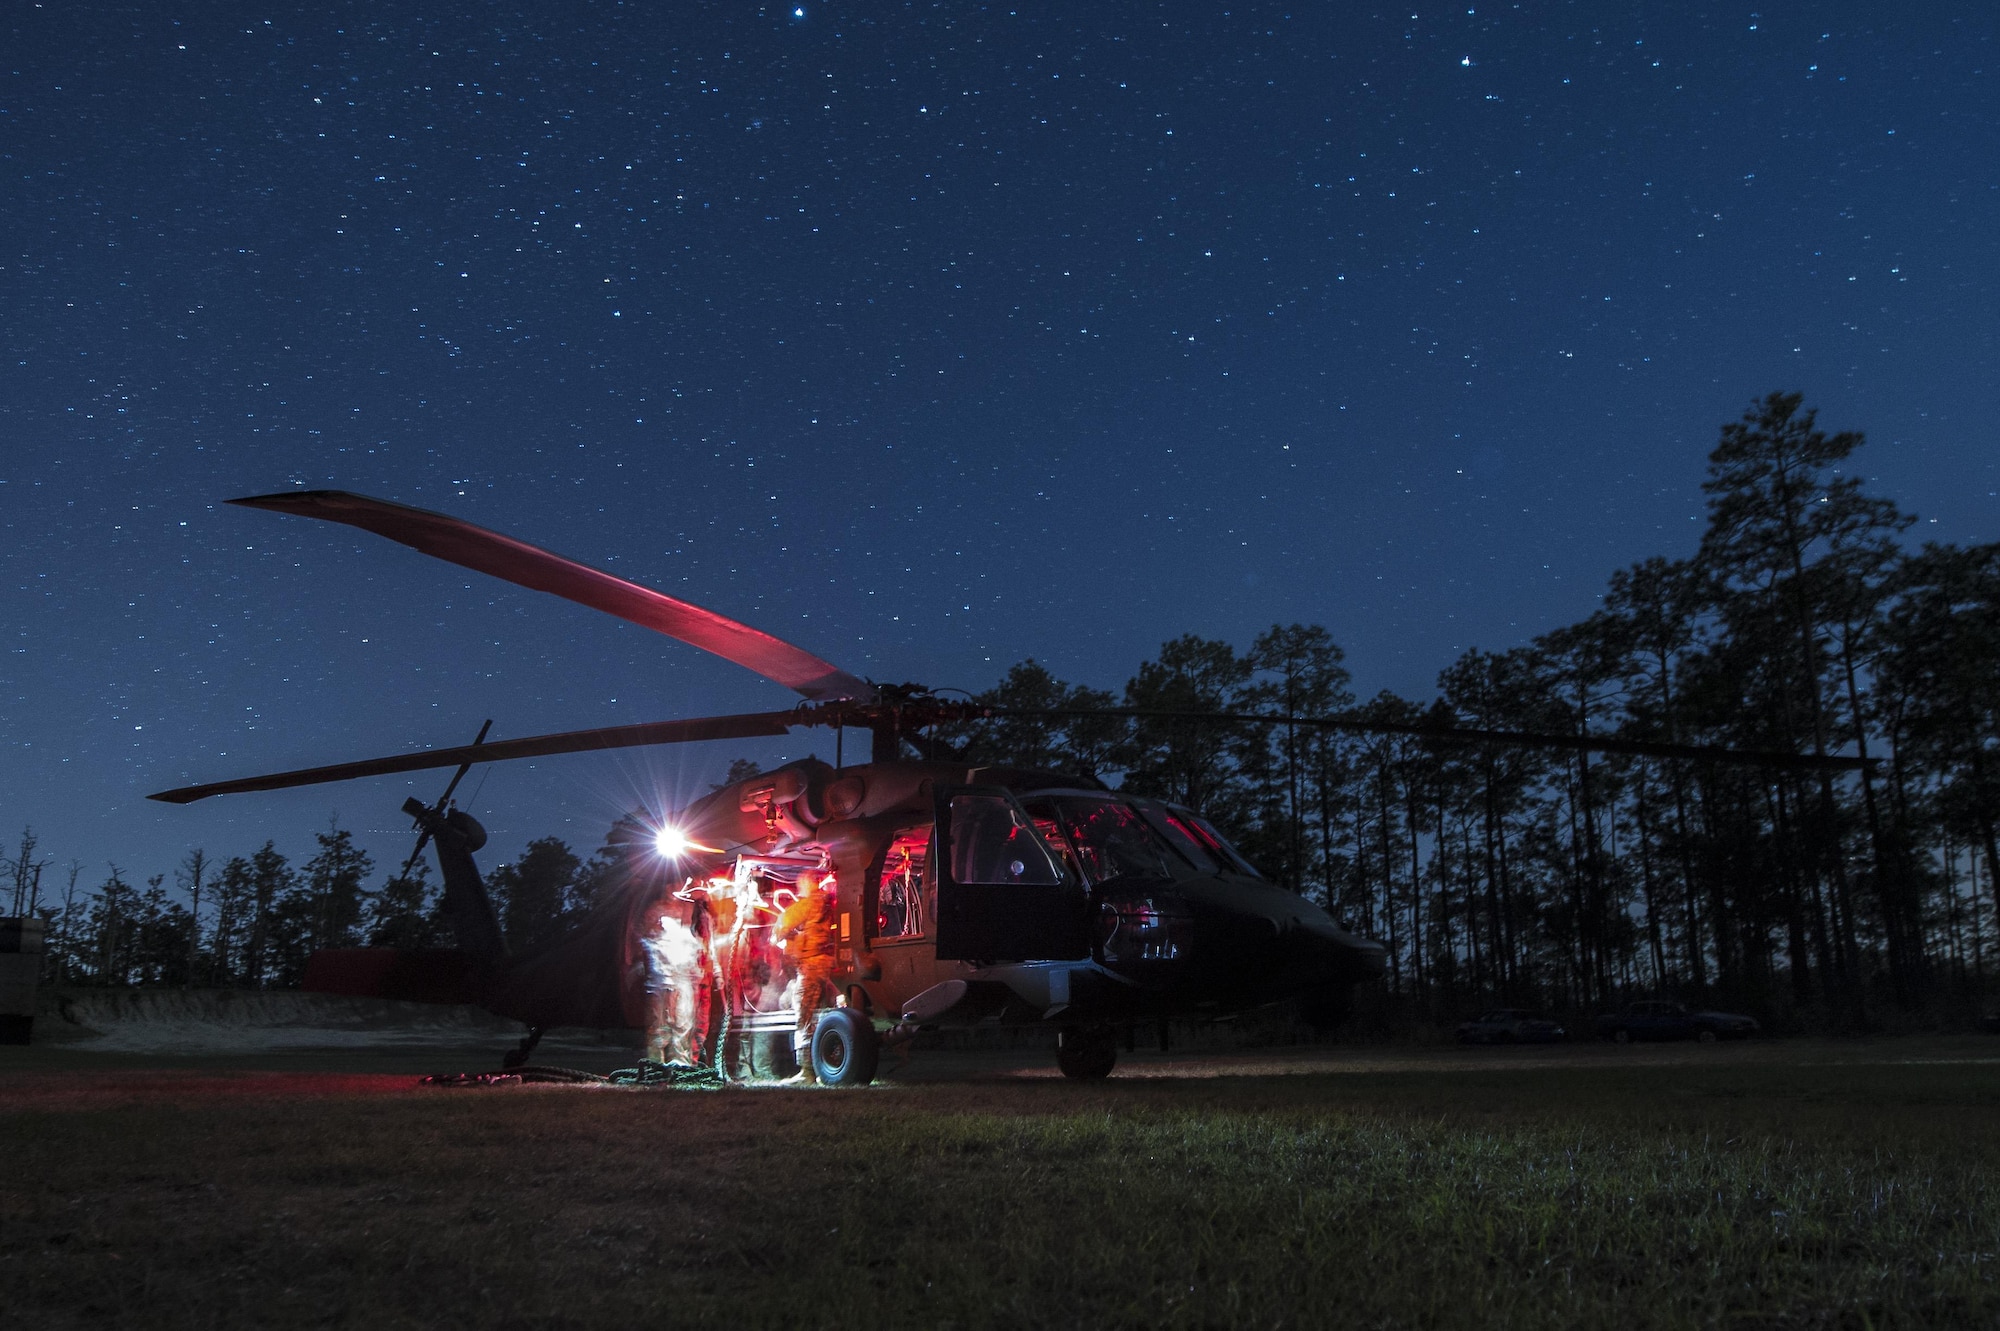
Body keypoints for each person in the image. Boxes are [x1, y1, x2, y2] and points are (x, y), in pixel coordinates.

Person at [774, 871, 839, 1082]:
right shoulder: (830, 904)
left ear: (806, 882)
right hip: (828, 966)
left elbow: (782, 924)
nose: (797, 887)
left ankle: (807, 1071)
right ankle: (825, 1065)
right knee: (823, 1017)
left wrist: (786, 937)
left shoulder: (808, 903)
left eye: (799, 883)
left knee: (804, 1016)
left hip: (810, 967)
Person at [640, 891, 714, 1067]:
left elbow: (700, 948)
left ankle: (682, 1066)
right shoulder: (657, 916)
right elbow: (648, 943)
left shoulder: (694, 921)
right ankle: (656, 1067)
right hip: (662, 979)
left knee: (684, 1024)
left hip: (684, 978)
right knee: (658, 1026)